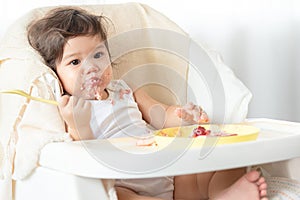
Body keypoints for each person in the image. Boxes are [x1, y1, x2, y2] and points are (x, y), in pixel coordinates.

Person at [27, 7, 268, 200]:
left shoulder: (125, 90)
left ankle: (221, 193)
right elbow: (85, 160)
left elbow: (162, 115)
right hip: (125, 184)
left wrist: (182, 114)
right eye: (75, 62)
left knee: (219, 154)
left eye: (98, 55)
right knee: (114, 195)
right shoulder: (72, 109)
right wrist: (78, 126)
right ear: (55, 73)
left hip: (170, 174)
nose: (91, 68)